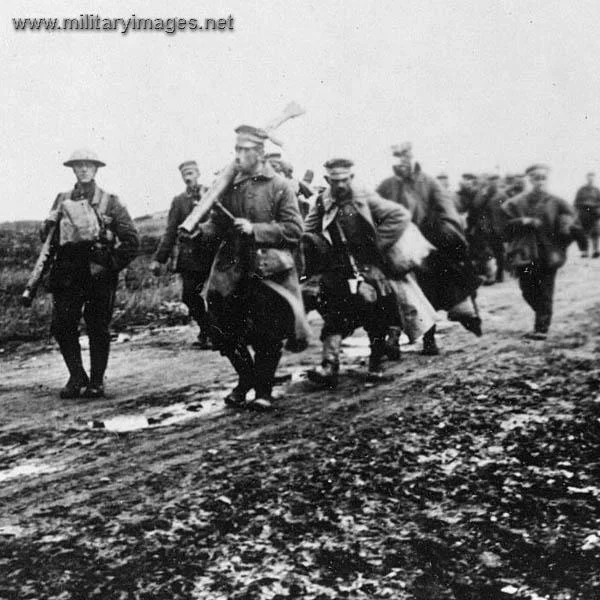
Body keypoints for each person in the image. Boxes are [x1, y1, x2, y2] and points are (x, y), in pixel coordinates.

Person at [192, 125, 310, 411]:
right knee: (223, 330)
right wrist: (201, 232)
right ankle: (247, 379)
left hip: (268, 271)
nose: (239, 155)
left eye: (245, 150)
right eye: (236, 150)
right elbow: (219, 224)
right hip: (232, 270)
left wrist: (255, 229)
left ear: (259, 153)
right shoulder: (230, 184)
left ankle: (263, 391)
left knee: (267, 334)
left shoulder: (279, 185)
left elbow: (295, 229)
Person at [303, 159, 437, 387]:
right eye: (335, 181)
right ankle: (329, 364)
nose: (341, 185)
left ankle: (376, 364)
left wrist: (377, 246)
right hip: (341, 268)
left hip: (371, 268)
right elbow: (308, 230)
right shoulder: (322, 202)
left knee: (377, 315)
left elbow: (399, 216)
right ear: (327, 180)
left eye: (345, 179)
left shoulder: (364, 198)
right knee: (336, 313)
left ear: (351, 178)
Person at [42, 149, 139, 398]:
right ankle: (77, 377)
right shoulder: (61, 199)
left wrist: (111, 265)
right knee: (62, 325)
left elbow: (131, 241)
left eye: (88, 166)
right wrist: (48, 224)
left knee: (97, 326)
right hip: (67, 273)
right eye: (78, 166)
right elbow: (48, 239)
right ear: (73, 170)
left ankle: (96, 381)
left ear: (96, 170)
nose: (83, 170)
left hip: (98, 273)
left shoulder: (110, 201)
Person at [376, 143, 481, 355]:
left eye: (404, 156)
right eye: (396, 157)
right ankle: (393, 339)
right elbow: (375, 210)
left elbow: (447, 210)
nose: (401, 161)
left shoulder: (429, 183)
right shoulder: (387, 186)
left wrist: (447, 234)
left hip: (428, 246)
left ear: (411, 157)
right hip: (397, 247)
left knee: (427, 293)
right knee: (396, 294)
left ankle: (429, 339)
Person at [501, 164, 575, 340]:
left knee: (545, 289)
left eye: (543, 178)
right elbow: (503, 226)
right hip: (524, 252)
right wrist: (522, 221)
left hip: (548, 253)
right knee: (527, 289)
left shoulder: (557, 202)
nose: (540, 181)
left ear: (547, 180)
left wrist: (561, 242)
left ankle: (541, 327)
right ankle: (542, 314)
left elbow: (571, 224)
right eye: (536, 178)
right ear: (530, 180)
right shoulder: (516, 202)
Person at [150, 160, 217, 348]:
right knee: (189, 296)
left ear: (198, 173)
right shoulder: (179, 201)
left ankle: (219, 333)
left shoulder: (212, 194)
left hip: (213, 254)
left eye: (191, 172)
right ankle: (208, 330)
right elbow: (170, 231)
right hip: (191, 257)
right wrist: (158, 259)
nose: (188, 177)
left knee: (217, 296)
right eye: (185, 174)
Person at [573, 172, 600, 258]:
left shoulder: (596, 190)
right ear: (587, 178)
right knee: (583, 232)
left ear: (594, 179)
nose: (590, 179)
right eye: (589, 178)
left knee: (595, 232)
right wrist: (576, 213)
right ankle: (584, 252)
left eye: (592, 178)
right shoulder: (581, 190)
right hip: (584, 212)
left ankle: (595, 251)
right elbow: (576, 202)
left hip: (594, 212)